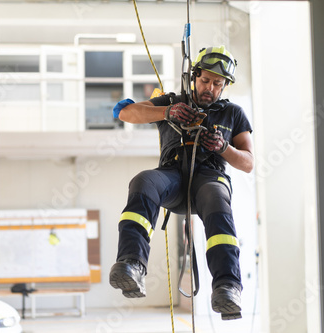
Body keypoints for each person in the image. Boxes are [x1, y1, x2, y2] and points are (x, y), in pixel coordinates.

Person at [109, 46, 254, 320]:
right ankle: (132, 264)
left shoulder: (233, 114)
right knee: (143, 181)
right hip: (172, 177)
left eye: (217, 83)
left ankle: (227, 286)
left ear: (224, 86)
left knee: (215, 196)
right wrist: (167, 112)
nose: (210, 87)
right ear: (194, 76)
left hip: (209, 180)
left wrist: (224, 148)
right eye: (205, 80)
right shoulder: (172, 102)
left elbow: (248, 162)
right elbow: (126, 113)